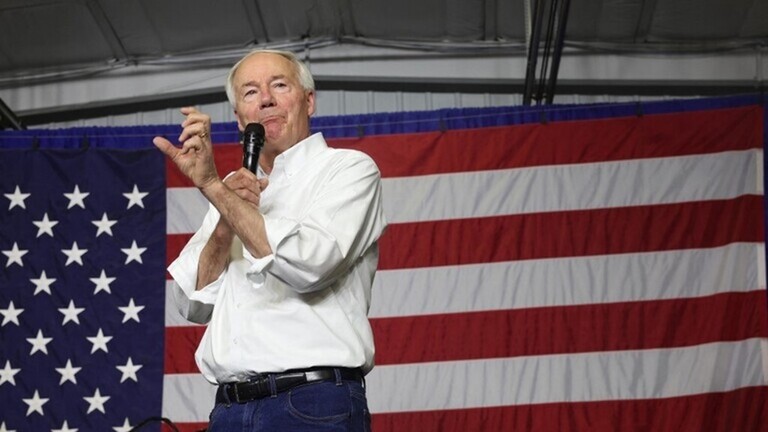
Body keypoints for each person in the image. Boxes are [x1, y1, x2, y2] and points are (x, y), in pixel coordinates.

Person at [153, 49, 387, 431]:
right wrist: (225, 218)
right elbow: (191, 302)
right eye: (250, 92)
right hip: (229, 410)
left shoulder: (348, 169)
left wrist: (213, 187)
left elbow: (311, 264)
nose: (265, 99)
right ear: (239, 118)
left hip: (312, 404)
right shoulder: (229, 190)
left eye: (279, 85)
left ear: (308, 101)